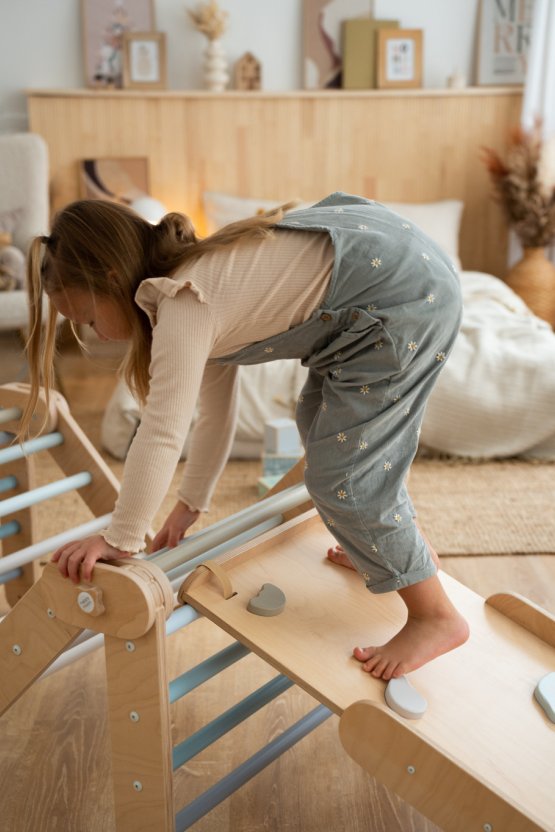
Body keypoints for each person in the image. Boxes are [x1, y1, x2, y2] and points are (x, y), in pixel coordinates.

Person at [21, 192, 469, 681]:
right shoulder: (199, 289)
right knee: (333, 436)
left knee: (345, 475)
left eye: (87, 318)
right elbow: (215, 414)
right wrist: (190, 503)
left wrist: (120, 538)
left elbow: (163, 430)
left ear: (111, 278)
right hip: (381, 294)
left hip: (402, 299)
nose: (96, 335)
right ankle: (394, 551)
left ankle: (435, 616)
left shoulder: (184, 300)